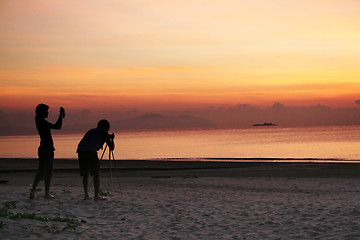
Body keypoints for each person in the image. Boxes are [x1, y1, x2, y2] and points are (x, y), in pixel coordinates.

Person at [30, 104, 65, 199]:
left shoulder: (40, 122)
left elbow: (57, 126)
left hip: (44, 148)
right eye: (46, 111)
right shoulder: (42, 122)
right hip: (46, 148)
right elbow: (57, 126)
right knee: (46, 171)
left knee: (42, 170)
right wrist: (60, 115)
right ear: (41, 112)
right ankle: (45, 193)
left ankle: (35, 191)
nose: (47, 113)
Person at [77, 119, 115, 201]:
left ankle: (86, 195)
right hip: (91, 151)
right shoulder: (104, 132)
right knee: (96, 173)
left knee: (85, 174)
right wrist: (112, 139)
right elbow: (111, 147)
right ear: (107, 127)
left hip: (81, 150)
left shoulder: (92, 130)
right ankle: (96, 195)